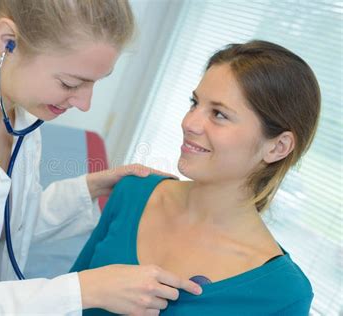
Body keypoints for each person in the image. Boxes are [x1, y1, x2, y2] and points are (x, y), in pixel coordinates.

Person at [0, 1, 203, 314]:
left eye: (94, 84)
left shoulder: (23, 120)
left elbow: (0, 228)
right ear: (8, 41)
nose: (84, 103)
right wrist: (84, 290)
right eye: (70, 82)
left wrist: (90, 188)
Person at [71, 40, 320, 315]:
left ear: (277, 147)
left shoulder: (283, 293)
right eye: (195, 103)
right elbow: (67, 301)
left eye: (219, 114)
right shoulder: (132, 193)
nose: (188, 123)